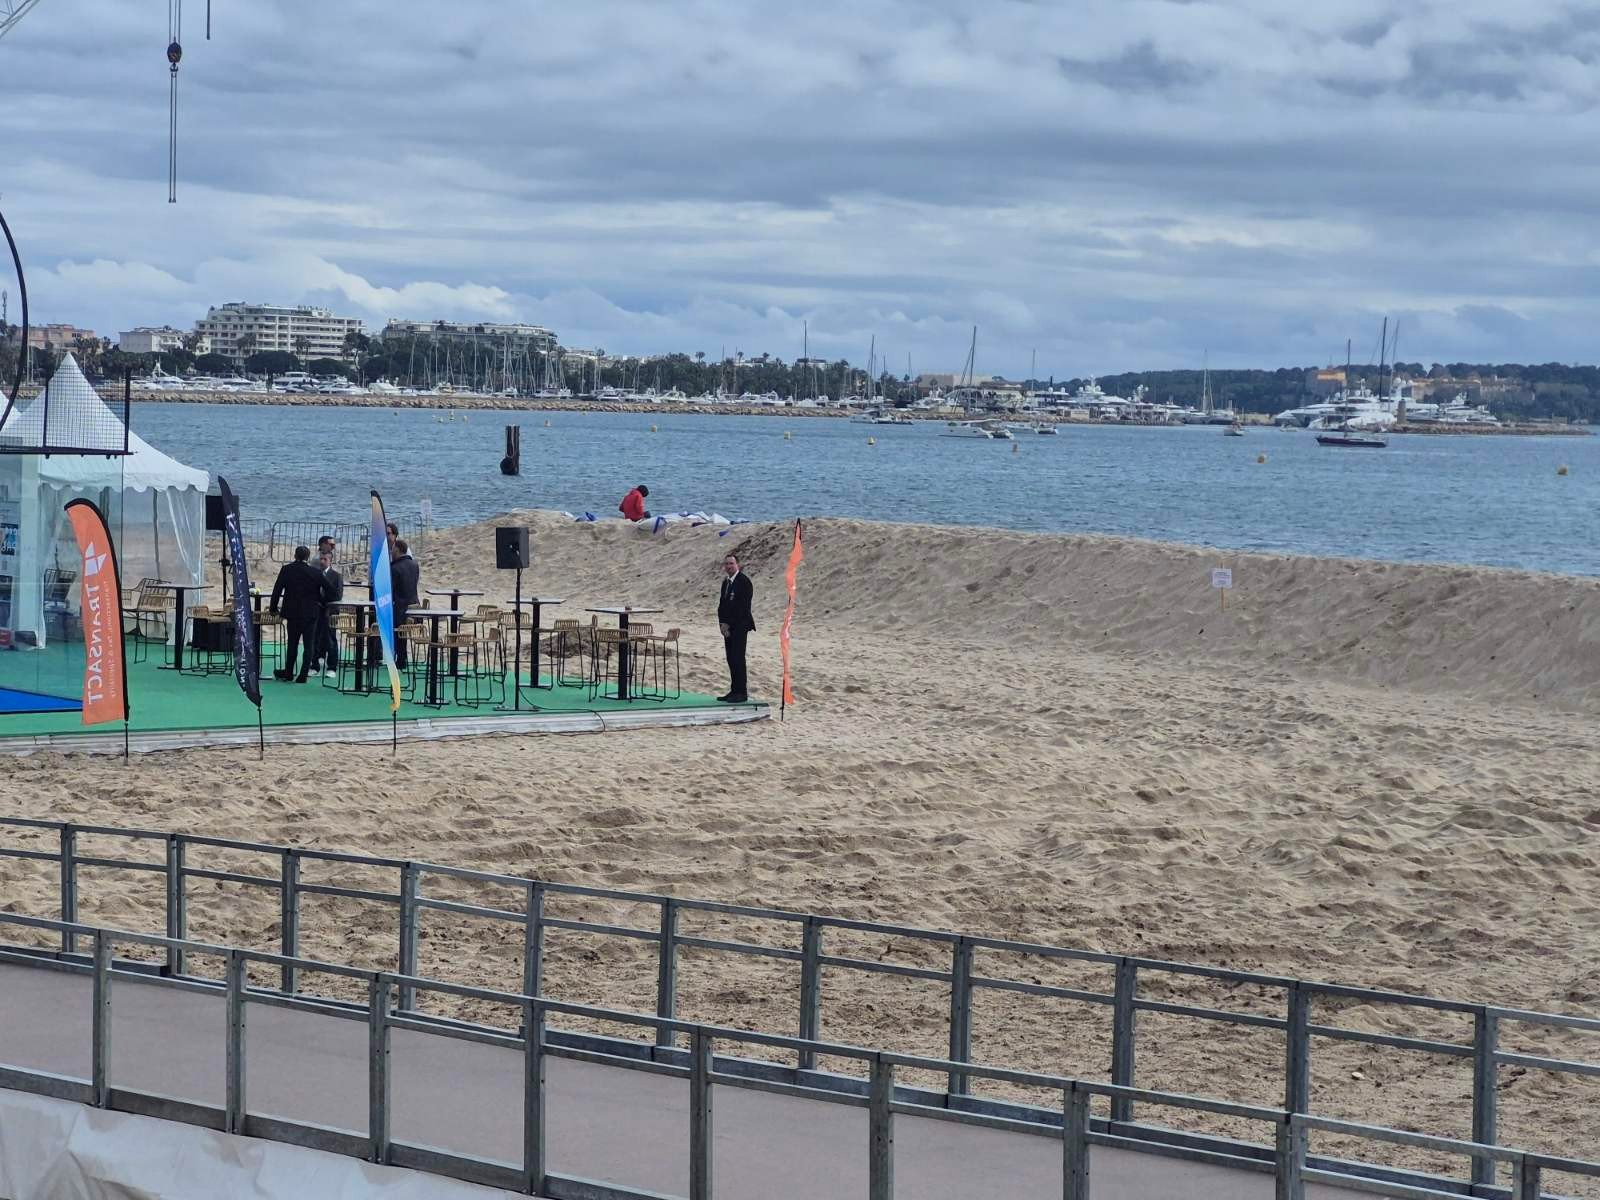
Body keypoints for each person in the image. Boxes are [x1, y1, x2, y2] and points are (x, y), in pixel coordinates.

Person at [269, 545, 332, 683]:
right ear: (308, 558)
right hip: (311, 613)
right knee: (309, 645)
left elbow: (277, 590)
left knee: (292, 643)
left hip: (292, 613)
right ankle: (303, 675)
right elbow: (330, 589)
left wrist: (273, 608)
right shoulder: (315, 572)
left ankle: (288, 672)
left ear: (295, 556)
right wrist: (321, 601)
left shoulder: (287, 570)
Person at [716, 552, 754, 703]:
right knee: (731, 658)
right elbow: (722, 605)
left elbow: (742, 607)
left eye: (731, 563)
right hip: (727, 628)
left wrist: (728, 624)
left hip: (740, 625)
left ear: (738, 565)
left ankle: (741, 692)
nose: (729, 566)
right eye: (727, 564)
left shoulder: (744, 582)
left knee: (738, 658)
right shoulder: (726, 582)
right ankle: (734, 691)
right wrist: (722, 624)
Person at [309, 547, 343, 677]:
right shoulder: (315, 574)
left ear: (330, 561)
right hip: (316, 610)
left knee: (330, 639)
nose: (322, 561)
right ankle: (314, 665)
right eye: (321, 559)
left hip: (330, 611)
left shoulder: (336, 576)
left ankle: (332, 667)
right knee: (314, 638)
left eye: (325, 559)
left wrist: (325, 601)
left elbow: (338, 595)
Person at [390, 537, 420, 667]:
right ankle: (403, 658)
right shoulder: (414, 565)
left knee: (398, 632)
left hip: (400, 606)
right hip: (414, 605)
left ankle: (401, 659)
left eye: (392, 549)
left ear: (397, 550)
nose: (391, 552)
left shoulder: (395, 568)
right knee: (403, 633)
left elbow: (391, 589)